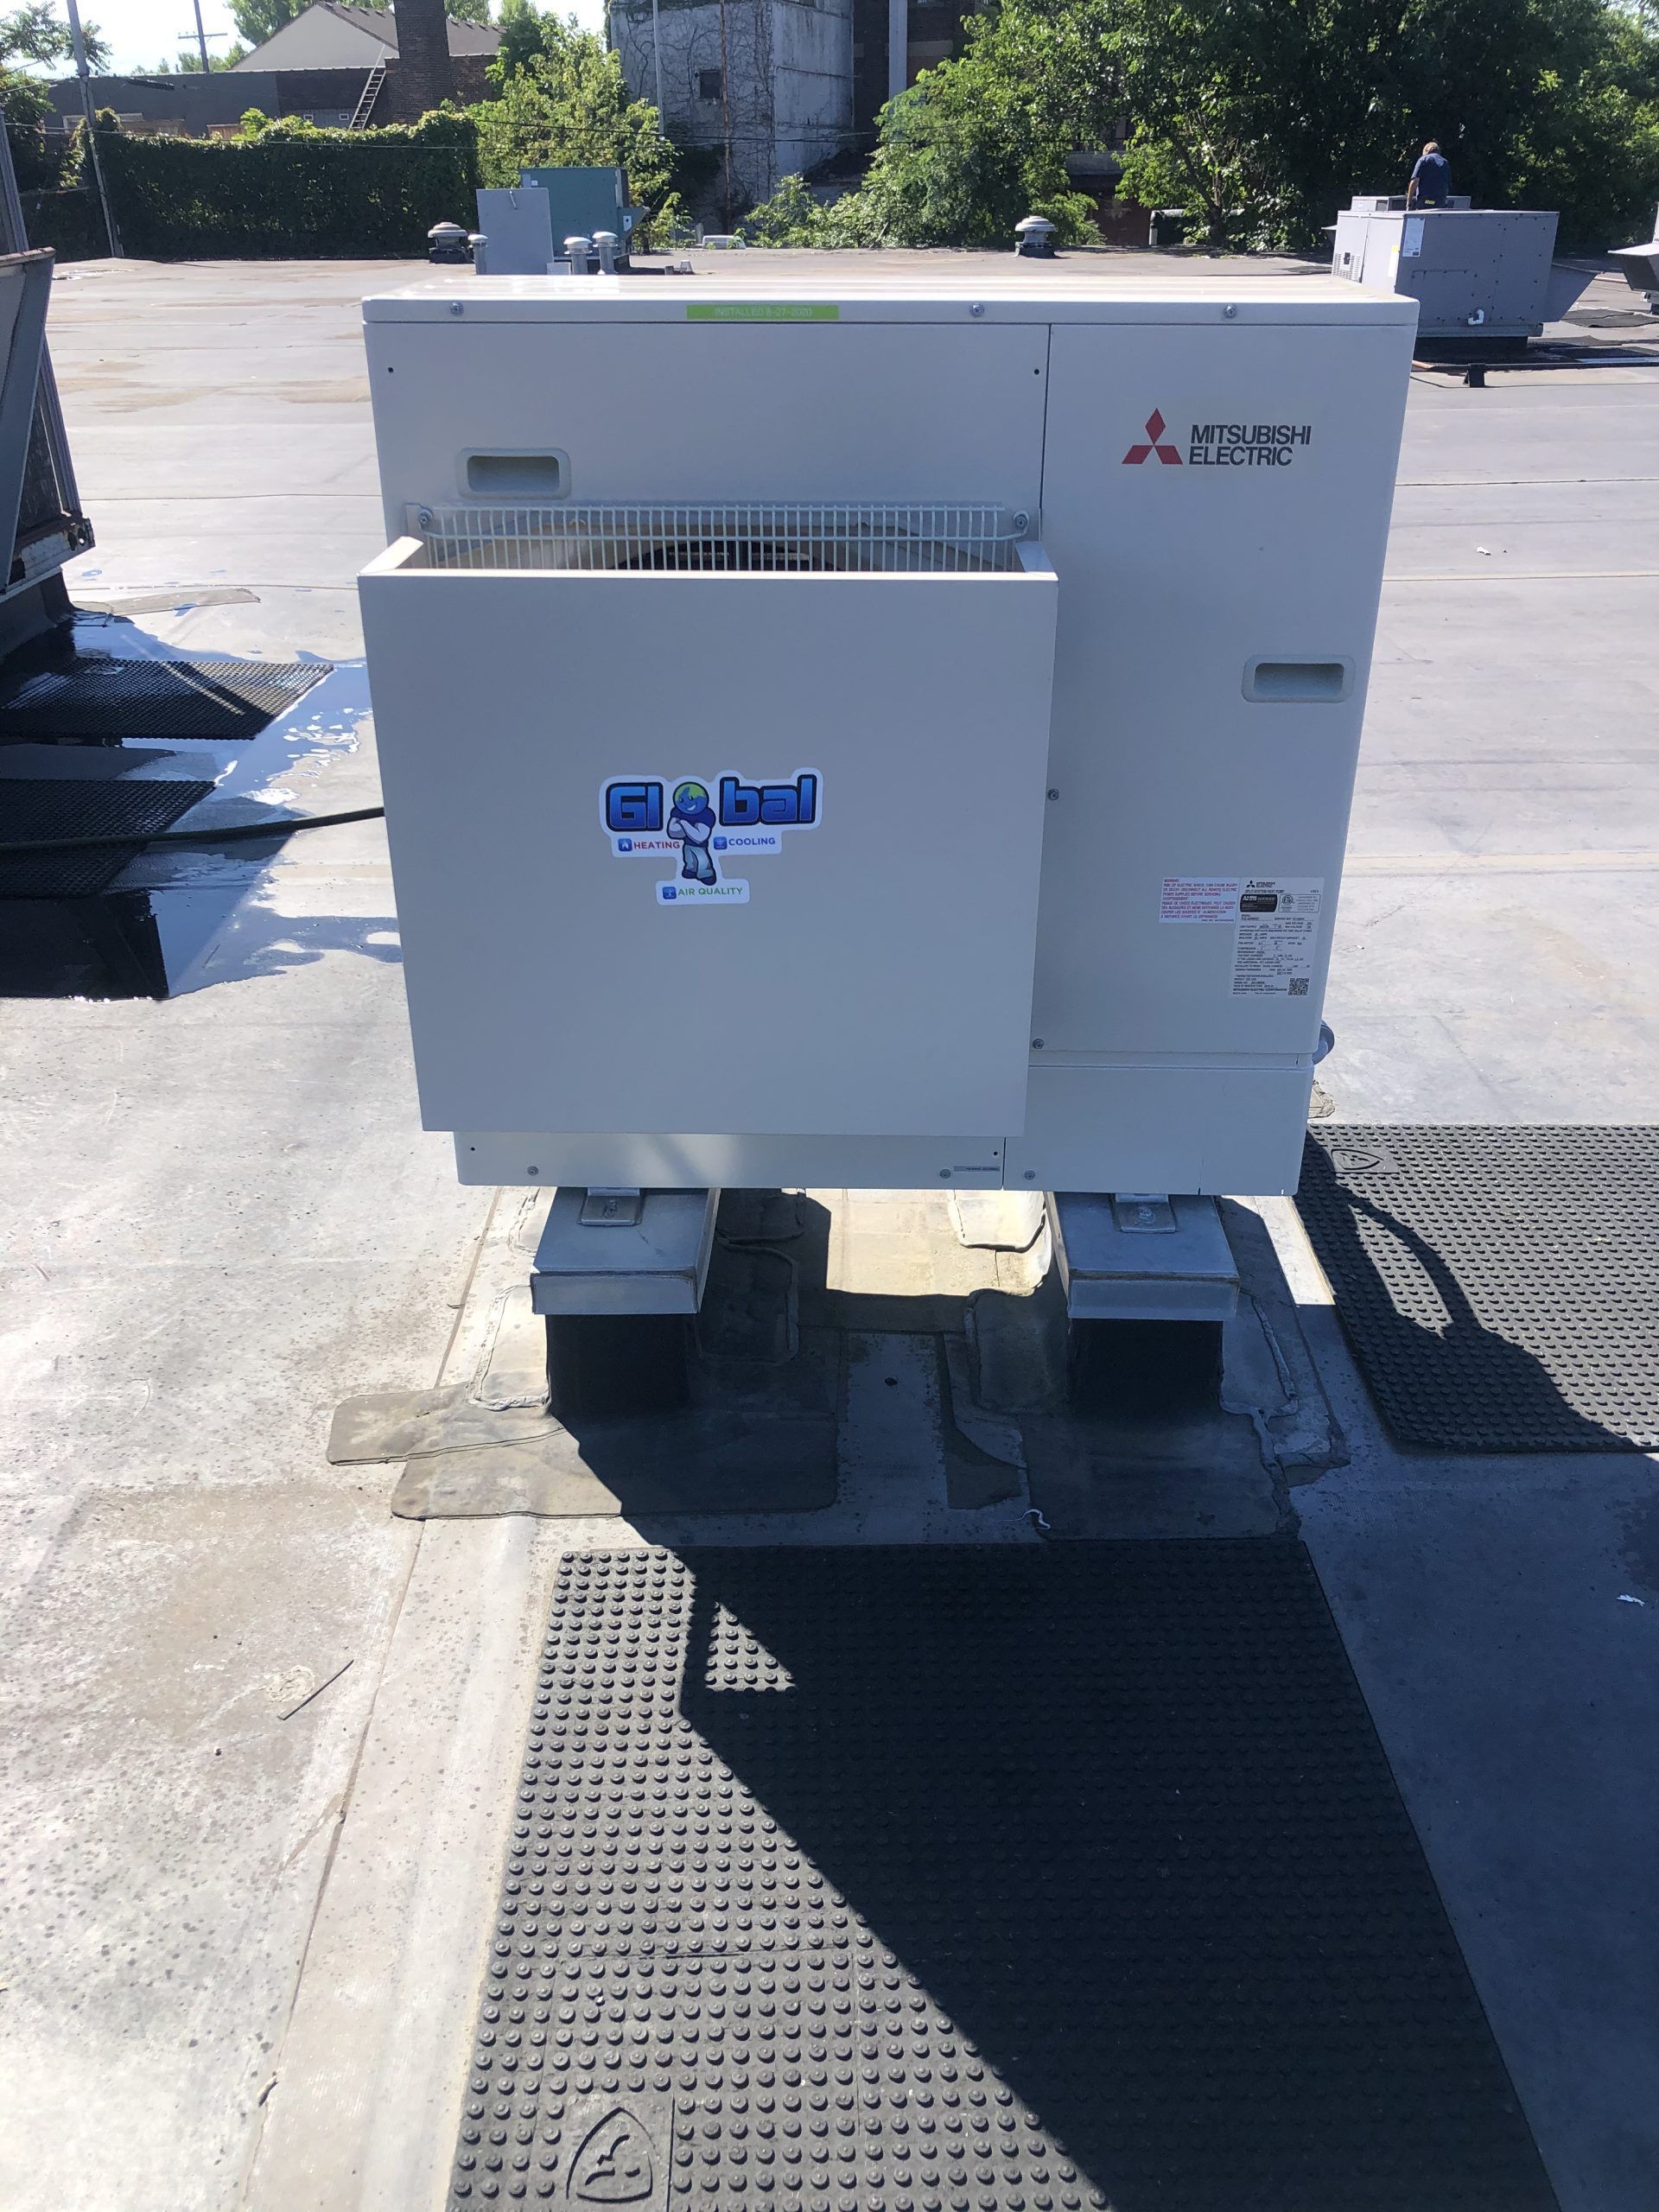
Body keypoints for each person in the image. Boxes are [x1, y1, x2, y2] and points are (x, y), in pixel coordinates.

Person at [1408, 141, 1452, 208]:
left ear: (1426, 151)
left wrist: (1409, 201)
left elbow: (1415, 181)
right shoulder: (1445, 162)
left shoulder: (1423, 159)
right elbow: (1447, 184)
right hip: (1440, 202)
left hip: (1426, 202)